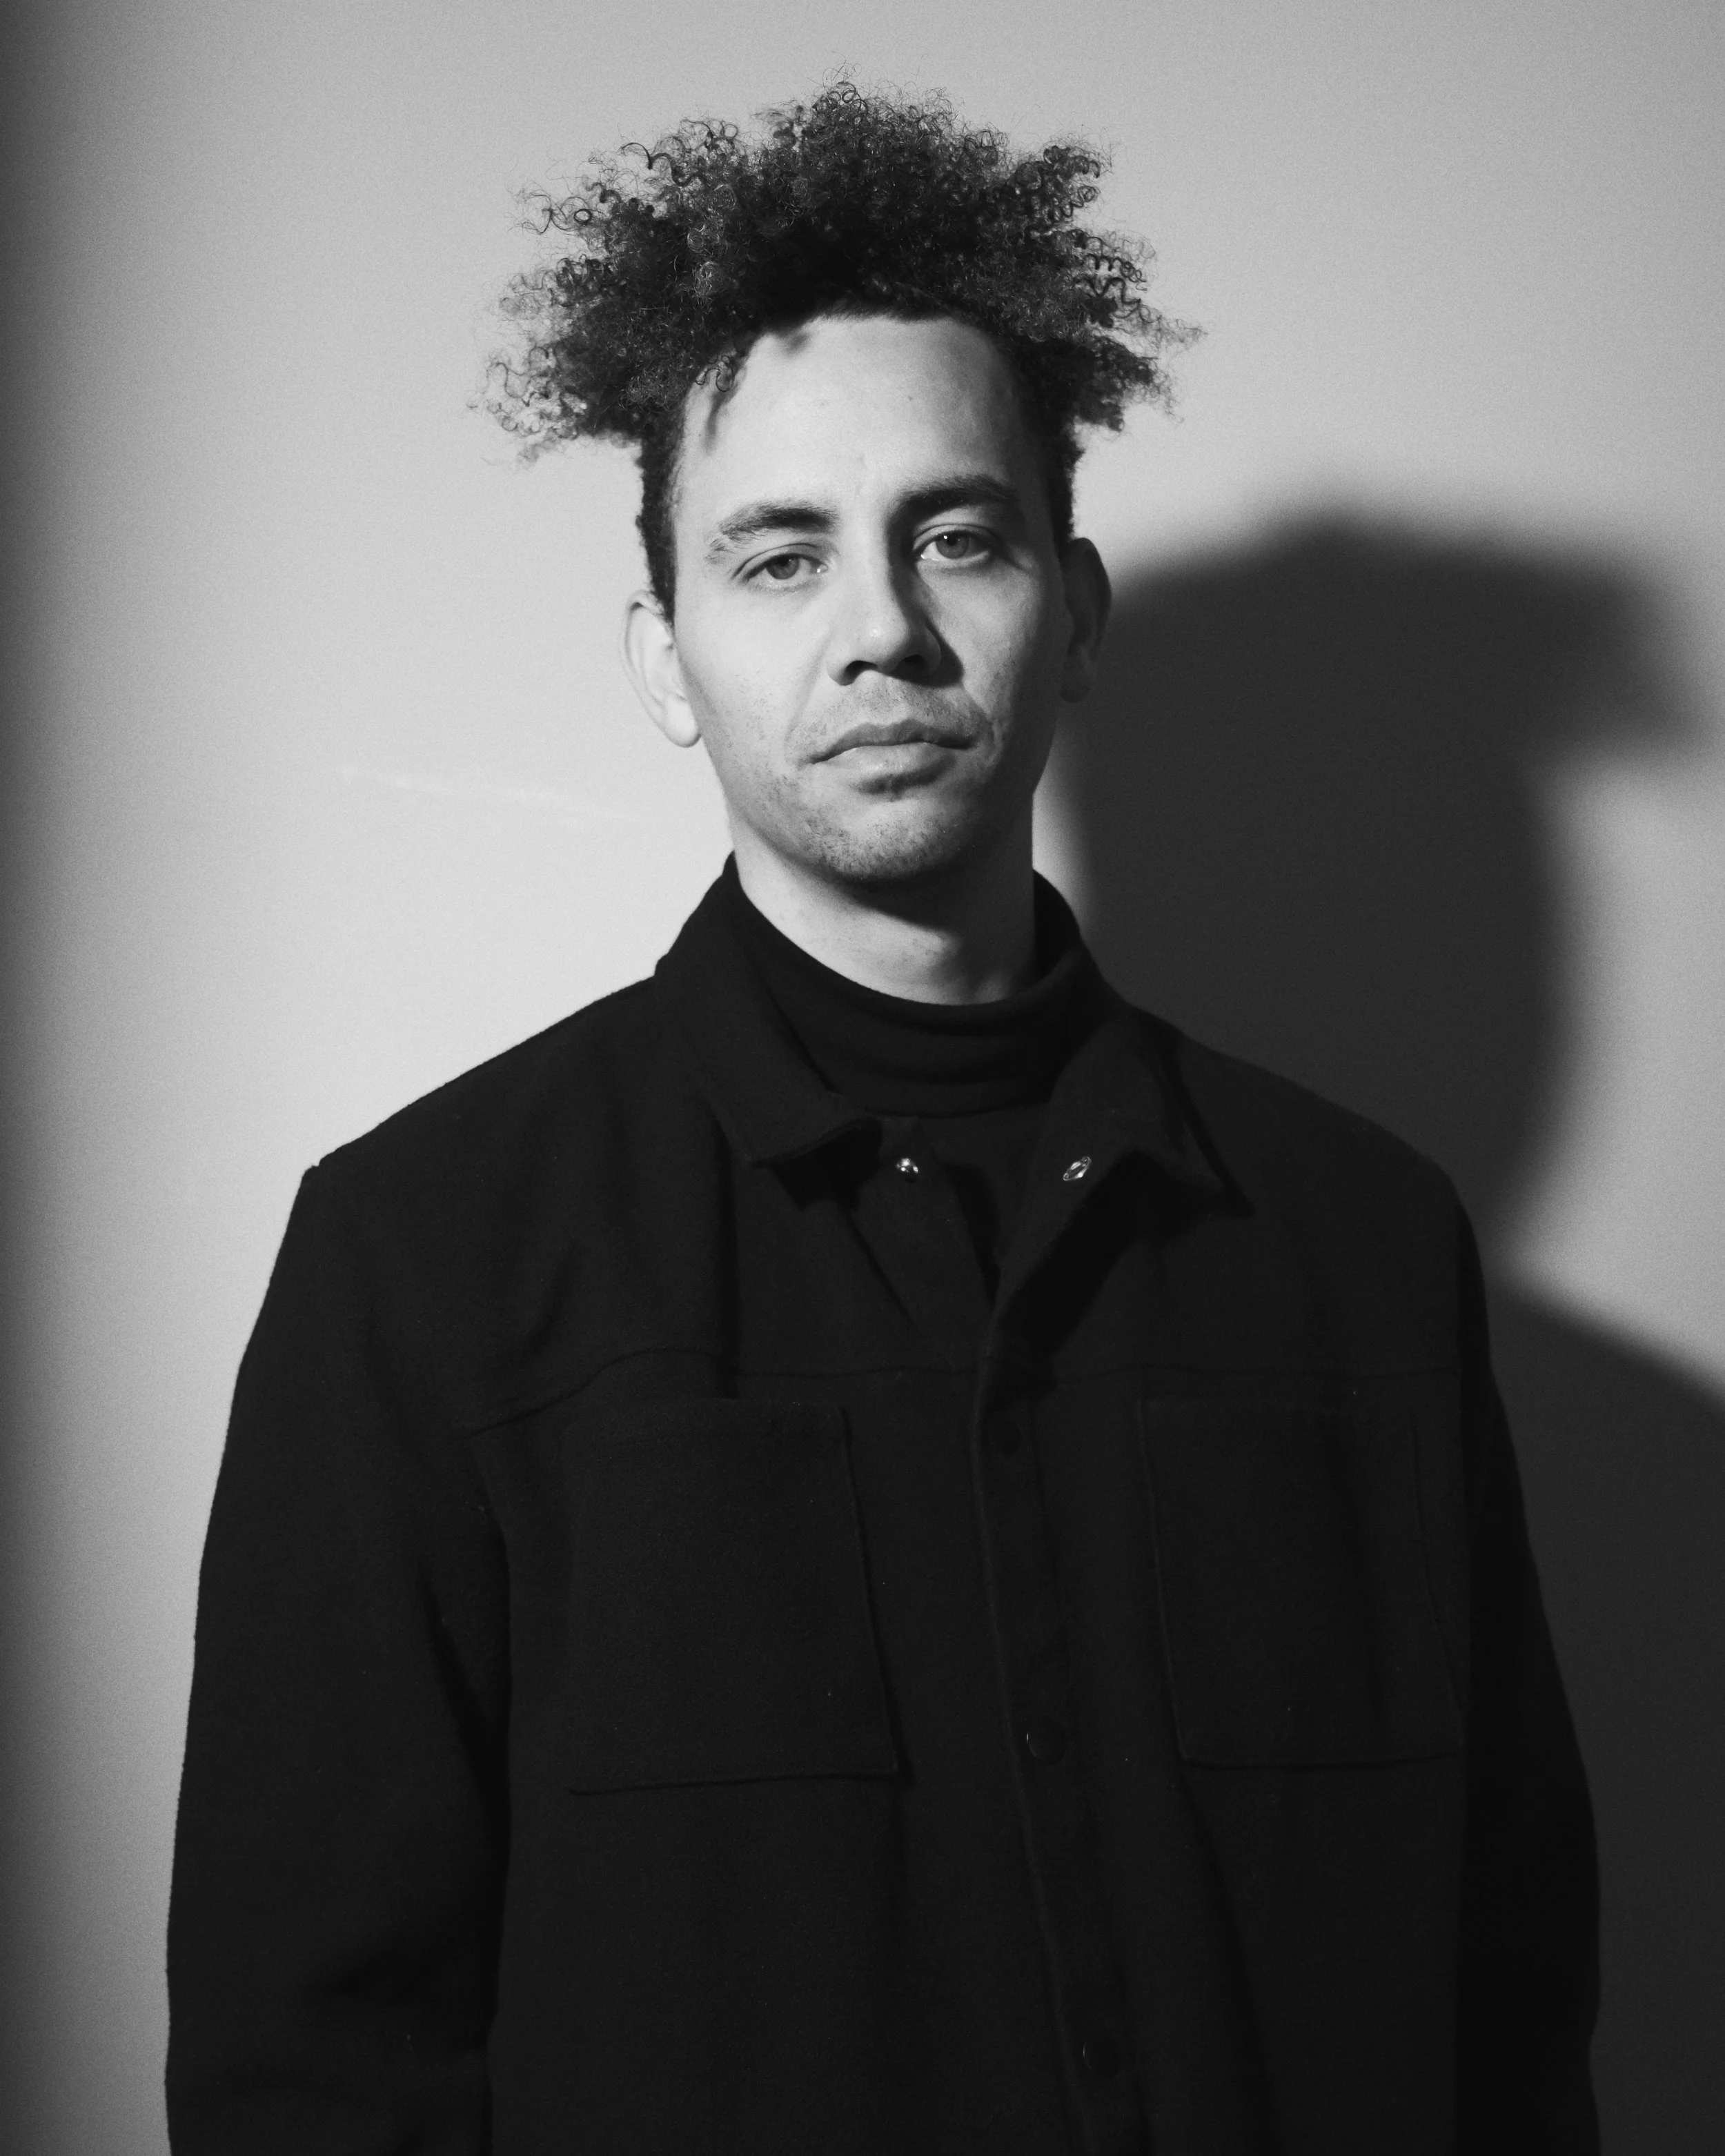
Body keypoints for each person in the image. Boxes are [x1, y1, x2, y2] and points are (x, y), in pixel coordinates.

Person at [166, 83, 1599, 2155]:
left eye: (957, 536)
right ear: (666, 657)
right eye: (778, 556)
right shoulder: (422, 1260)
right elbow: (312, 2072)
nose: (882, 632)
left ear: (1073, 612)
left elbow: (1508, 2011)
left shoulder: (1366, 1244)